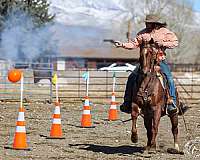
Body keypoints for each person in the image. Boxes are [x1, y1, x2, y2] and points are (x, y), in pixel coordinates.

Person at [114, 14, 178, 115]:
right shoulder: (142, 33)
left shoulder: (164, 32)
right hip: (145, 62)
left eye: (149, 23)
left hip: (159, 60)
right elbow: (134, 44)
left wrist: (162, 43)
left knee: (169, 78)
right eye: (146, 23)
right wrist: (122, 44)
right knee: (131, 78)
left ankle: (172, 103)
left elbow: (175, 42)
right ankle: (127, 103)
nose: (146, 24)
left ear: (155, 23)